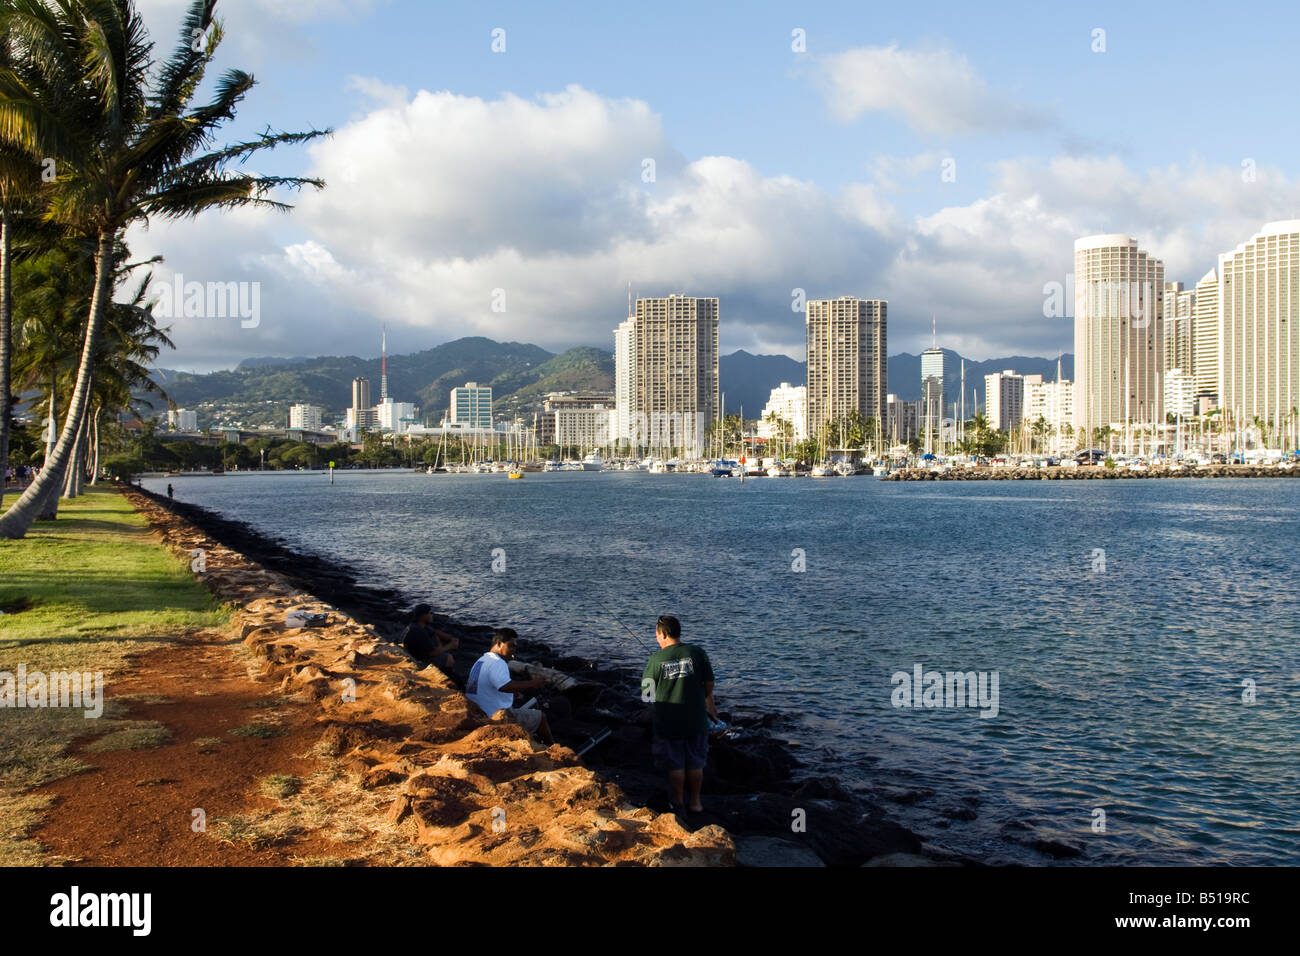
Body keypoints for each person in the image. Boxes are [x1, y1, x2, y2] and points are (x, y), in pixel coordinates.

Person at [642, 614, 717, 815]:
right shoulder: (697, 652)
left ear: (663, 634)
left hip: (668, 723)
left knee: (674, 763)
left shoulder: (656, 659)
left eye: (657, 634)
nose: (656, 638)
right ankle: (695, 802)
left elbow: (647, 694)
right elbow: (709, 683)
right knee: (695, 762)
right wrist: (703, 697)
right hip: (696, 720)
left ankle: (678, 801)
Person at [465, 628, 553, 745]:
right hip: (494, 717)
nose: (514, 650)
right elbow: (504, 686)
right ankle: (554, 751)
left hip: (476, 712)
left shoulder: (481, 661)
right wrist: (533, 683)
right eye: (511, 646)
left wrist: (513, 693)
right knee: (540, 717)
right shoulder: (498, 662)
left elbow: (488, 686)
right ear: (499, 644)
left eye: (515, 647)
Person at [402, 603, 458, 670]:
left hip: (414, 654)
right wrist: (451, 645)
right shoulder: (418, 631)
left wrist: (450, 638)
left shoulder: (417, 625)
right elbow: (431, 653)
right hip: (419, 661)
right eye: (430, 613)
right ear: (423, 616)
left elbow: (434, 631)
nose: (432, 615)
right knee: (448, 657)